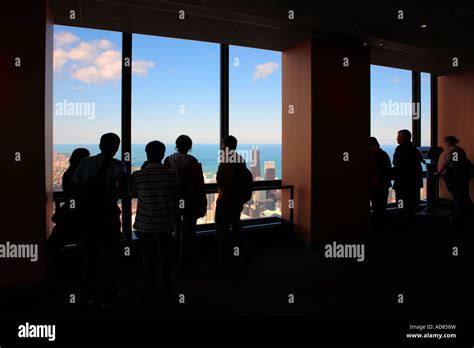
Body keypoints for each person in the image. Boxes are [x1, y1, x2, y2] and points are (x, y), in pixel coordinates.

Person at [72, 133, 127, 308]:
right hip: (108, 215)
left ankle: (91, 294)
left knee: (90, 253)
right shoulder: (118, 165)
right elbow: (123, 186)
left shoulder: (85, 162)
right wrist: (111, 197)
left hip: (88, 215)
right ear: (116, 147)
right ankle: (110, 295)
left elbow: (75, 186)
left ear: (100, 144)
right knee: (110, 254)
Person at [130, 141, 179, 303]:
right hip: (165, 223)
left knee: (147, 259)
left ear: (146, 154)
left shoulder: (138, 175)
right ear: (163, 154)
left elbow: (132, 192)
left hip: (144, 225)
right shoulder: (172, 174)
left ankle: (149, 290)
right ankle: (166, 288)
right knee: (165, 257)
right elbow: (174, 192)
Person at [164, 135, 207, 276]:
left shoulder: (168, 161)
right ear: (190, 146)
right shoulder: (193, 162)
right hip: (189, 202)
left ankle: (172, 262)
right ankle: (186, 264)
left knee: (174, 230)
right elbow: (199, 186)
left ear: (176, 145)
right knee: (188, 233)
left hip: (172, 201)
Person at [215, 135, 253, 267]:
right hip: (236, 201)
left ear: (225, 146)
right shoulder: (240, 161)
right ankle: (243, 255)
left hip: (225, 200)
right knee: (236, 226)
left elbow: (222, 181)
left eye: (222, 144)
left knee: (222, 229)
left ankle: (224, 259)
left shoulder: (227, 161)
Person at [48, 148, 90, 251]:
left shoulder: (68, 173)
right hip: (79, 213)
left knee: (56, 241)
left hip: (69, 211)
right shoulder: (81, 174)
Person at [436, 135, 472, 218]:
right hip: (463, 177)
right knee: (464, 195)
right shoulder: (460, 150)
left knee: (457, 196)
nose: (445, 144)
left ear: (448, 142)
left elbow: (449, 163)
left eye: (446, 142)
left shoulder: (454, 151)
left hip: (455, 178)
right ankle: (468, 214)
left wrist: (439, 172)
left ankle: (458, 215)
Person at [392, 129, 423, 219]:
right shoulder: (414, 150)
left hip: (403, 183)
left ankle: (403, 221)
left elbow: (397, 164)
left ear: (403, 138)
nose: (396, 138)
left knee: (401, 204)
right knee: (410, 204)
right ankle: (409, 222)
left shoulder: (400, 149)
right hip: (413, 183)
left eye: (398, 136)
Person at [368, 137, 392, 231]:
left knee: (375, 208)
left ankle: (374, 229)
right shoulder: (384, 153)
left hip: (373, 185)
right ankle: (381, 228)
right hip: (383, 185)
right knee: (381, 208)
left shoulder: (370, 154)